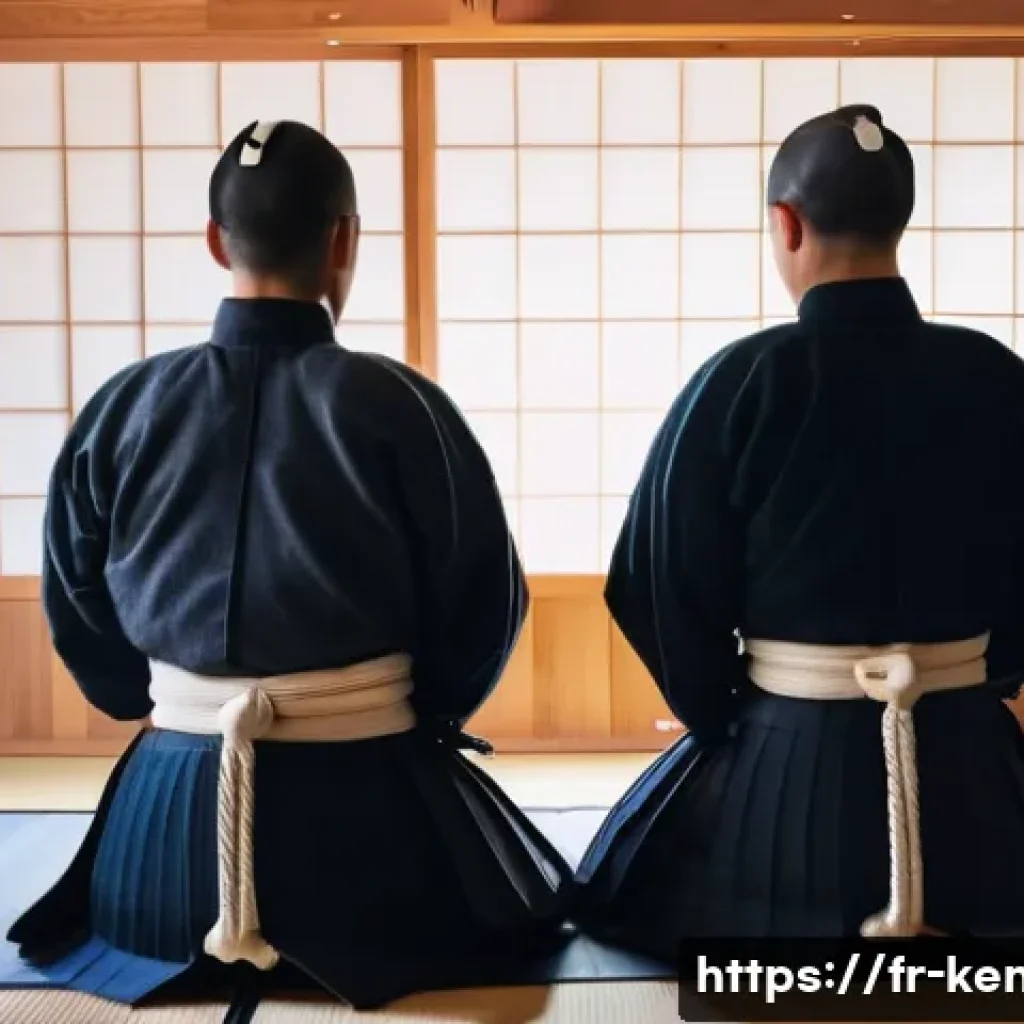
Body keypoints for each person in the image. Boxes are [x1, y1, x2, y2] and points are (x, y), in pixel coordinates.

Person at [7, 120, 572, 1009]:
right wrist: (423, 715)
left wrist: (149, 701)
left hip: (165, 841)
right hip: (374, 826)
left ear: (213, 241)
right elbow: (483, 604)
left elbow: (77, 600)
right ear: (346, 238)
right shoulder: (403, 405)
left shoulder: (124, 405)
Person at [575, 104, 1024, 954]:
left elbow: (650, 580)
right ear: (902, 218)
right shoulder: (999, 377)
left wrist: (721, 719)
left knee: (635, 904)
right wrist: (982, 678)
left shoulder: (740, 382)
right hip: (975, 779)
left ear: (785, 224)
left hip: (779, 774)